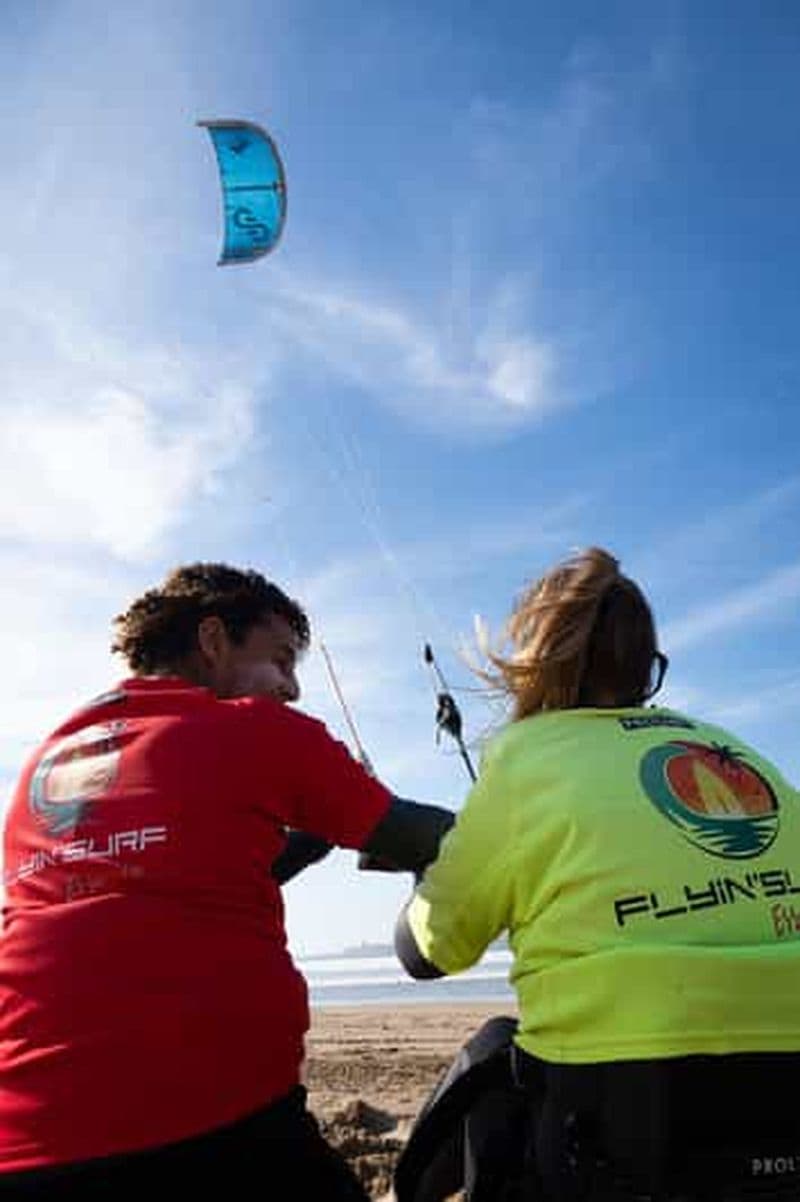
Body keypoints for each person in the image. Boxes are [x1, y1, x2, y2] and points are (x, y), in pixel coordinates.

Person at [0, 562, 454, 1198]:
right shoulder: (252, 729)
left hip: (26, 1141)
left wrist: (314, 839)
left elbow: (160, 884)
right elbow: (434, 836)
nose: (293, 688)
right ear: (213, 640)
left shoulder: (47, 761)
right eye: (281, 660)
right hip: (213, 1127)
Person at [395, 547, 800, 1201]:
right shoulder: (732, 749)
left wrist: (425, 868)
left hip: (632, 1111)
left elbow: (429, 953)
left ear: (533, 664)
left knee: (493, 1052)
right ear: (650, 664)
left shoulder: (524, 758)